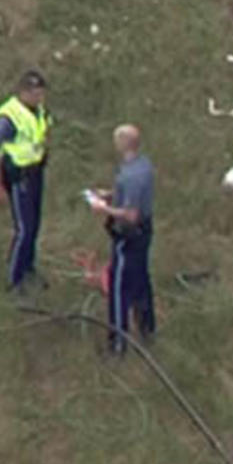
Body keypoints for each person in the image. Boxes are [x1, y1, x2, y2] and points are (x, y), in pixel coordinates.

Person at [0, 70, 52, 295]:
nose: (39, 98)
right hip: (19, 175)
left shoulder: (38, 110)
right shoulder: (10, 117)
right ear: (23, 92)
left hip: (35, 173)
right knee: (24, 228)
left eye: (41, 93)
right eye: (34, 94)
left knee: (35, 224)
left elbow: (42, 132)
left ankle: (28, 267)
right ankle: (15, 280)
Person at [90, 125, 155, 355]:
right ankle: (148, 330)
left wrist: (104, 208)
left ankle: (117, 343)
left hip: (128, 238)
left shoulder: (130, 176)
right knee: (141, 281)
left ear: (123, 143)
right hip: (144, 234)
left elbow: (131, 214)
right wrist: (111, 195)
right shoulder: (143, 165)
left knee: (119, 288)